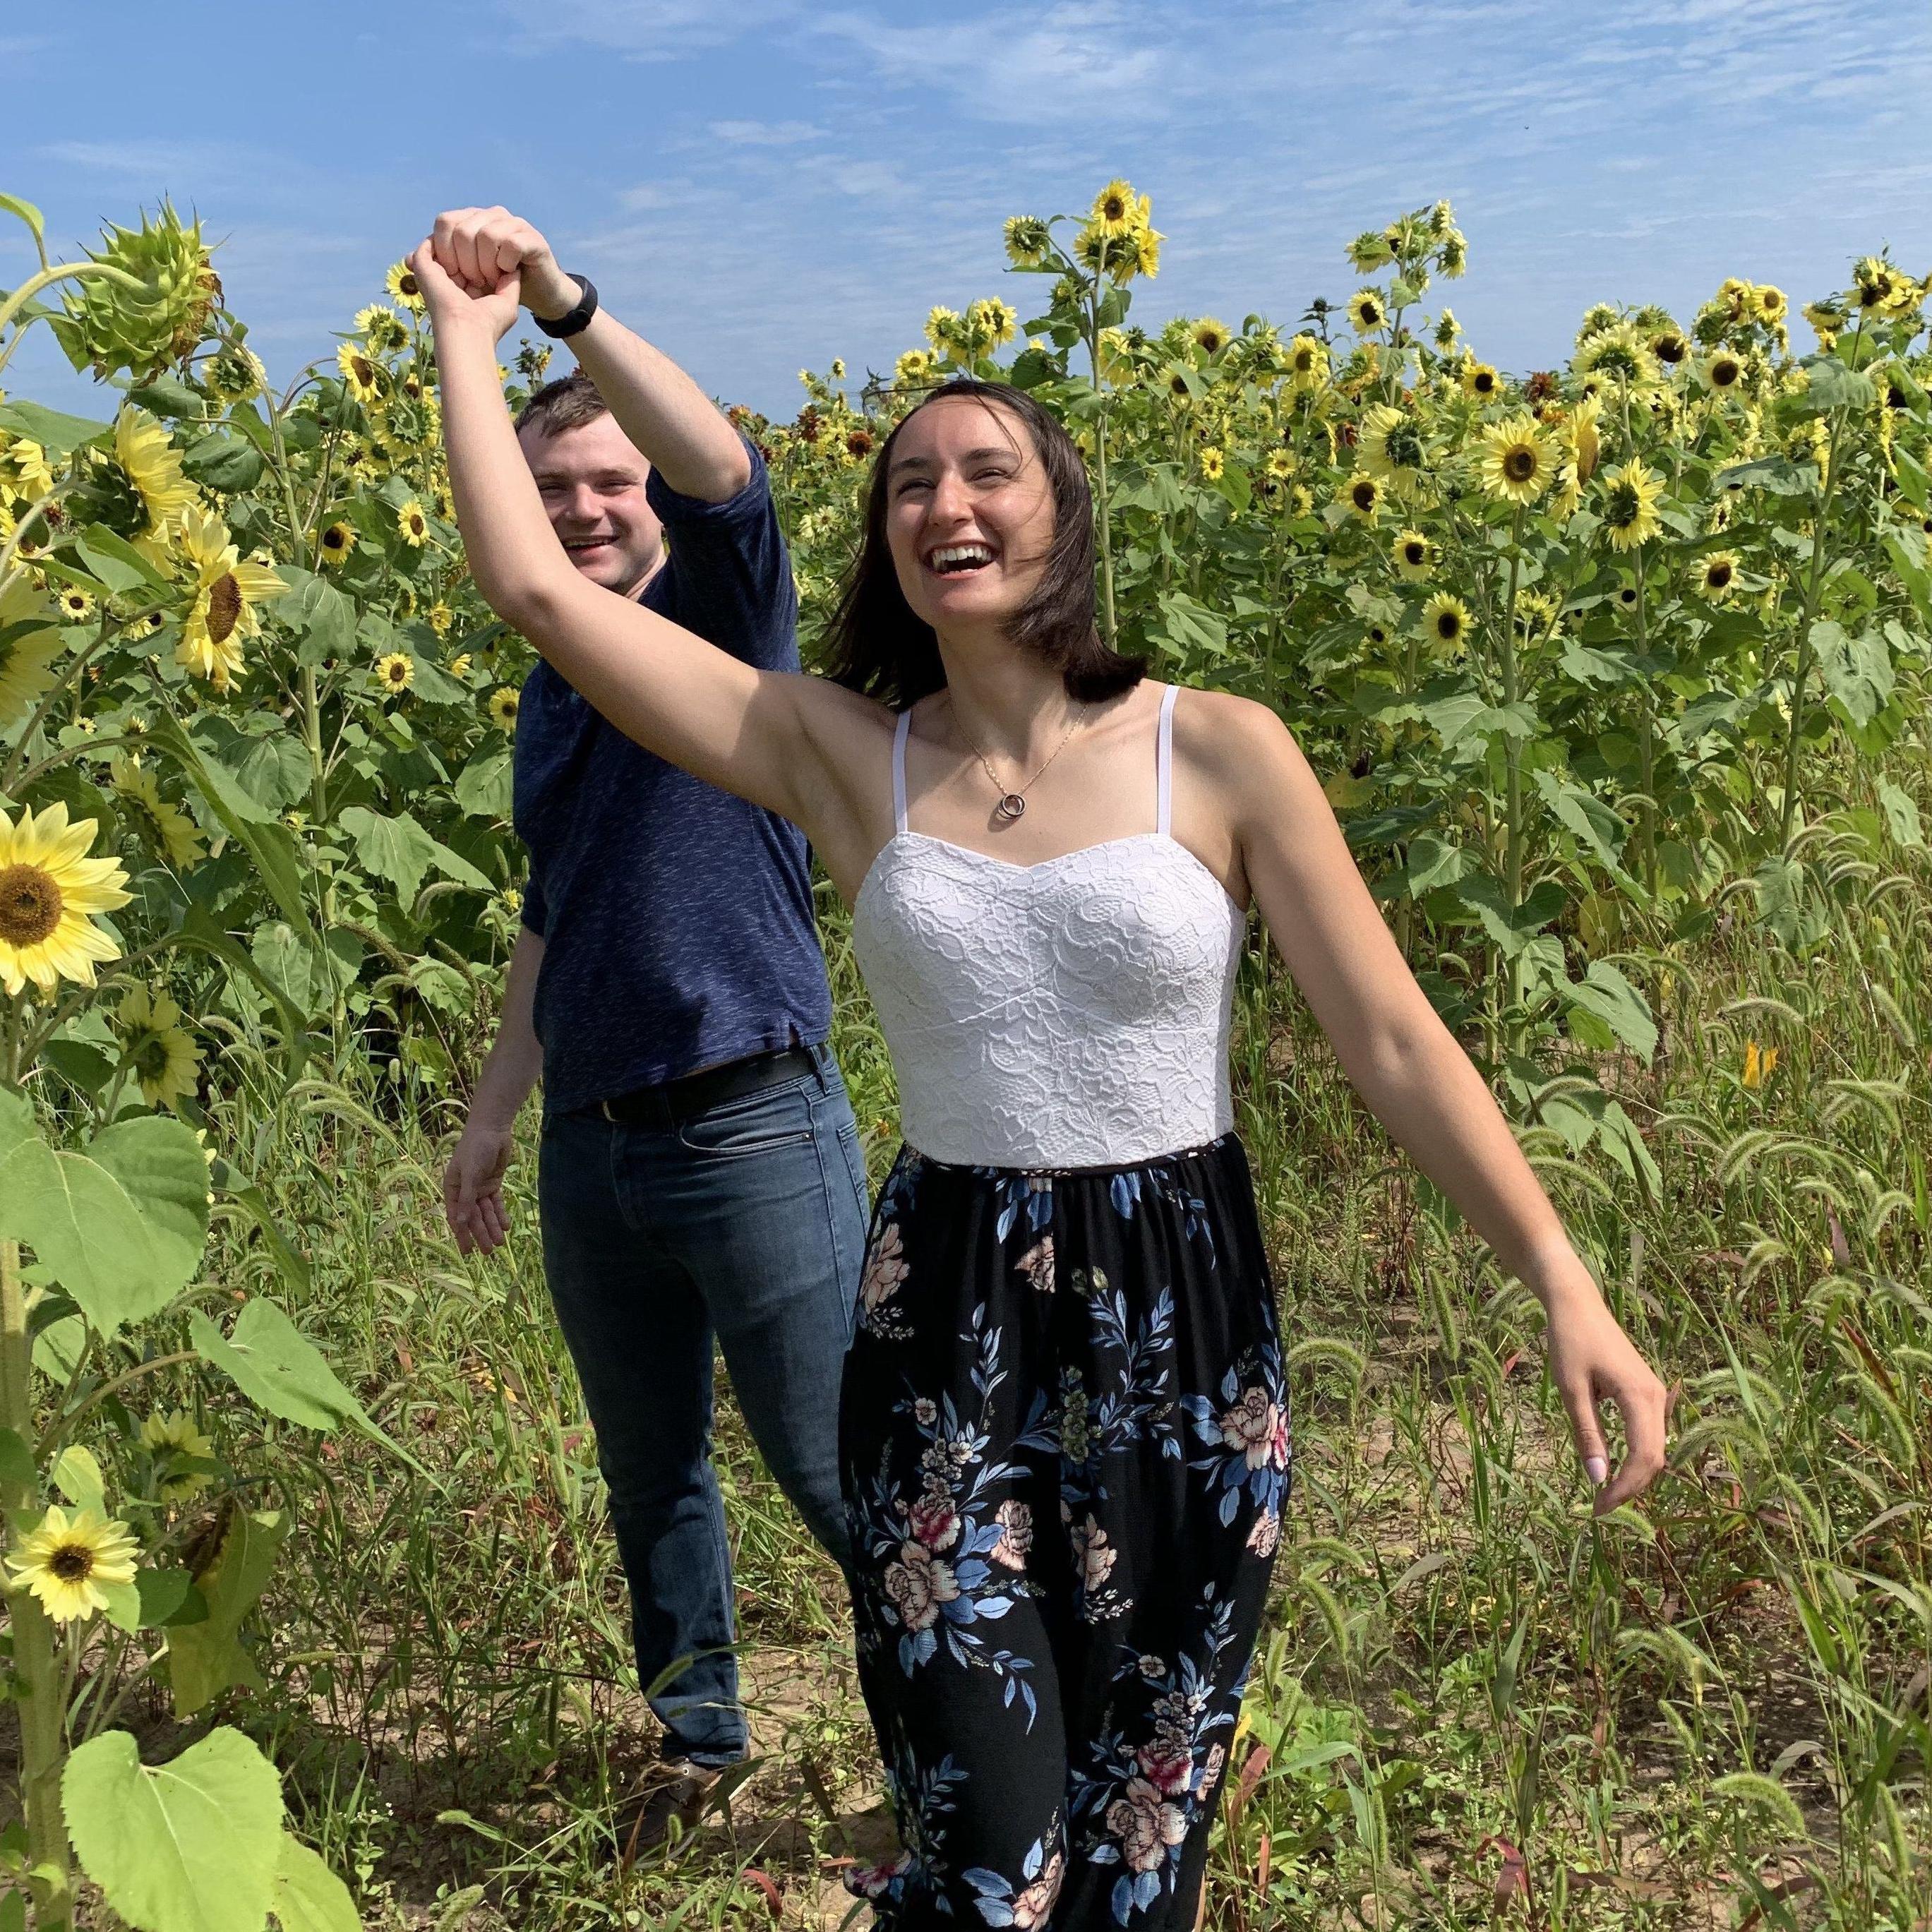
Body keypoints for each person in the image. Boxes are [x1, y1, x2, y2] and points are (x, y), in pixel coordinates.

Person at [414, 229, 1669, 1931]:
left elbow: (1389, 1039)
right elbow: (543, 597)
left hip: (1187, 1316)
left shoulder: (1211, 746)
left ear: (1062, 515)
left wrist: (1561, 1278)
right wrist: (472, 333)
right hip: (946, 1315)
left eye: (988, 470)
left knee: (1141, 1837)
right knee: (991, 1843)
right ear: (885, 545)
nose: (947, 503)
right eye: (910, 482)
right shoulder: (838, 752)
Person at [430, 208, 870, 1860]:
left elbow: (728, 469)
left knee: (842, 1478)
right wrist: (490, 1111)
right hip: (592, 1145)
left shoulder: (724, 614)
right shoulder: (555, 684)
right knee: (652, 1481)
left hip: (750, 1119)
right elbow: (557, 905)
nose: (588, 509)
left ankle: (973, 1743)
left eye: (609, 484)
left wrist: (550, 309)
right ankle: (698, 1746)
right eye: (555, 492)